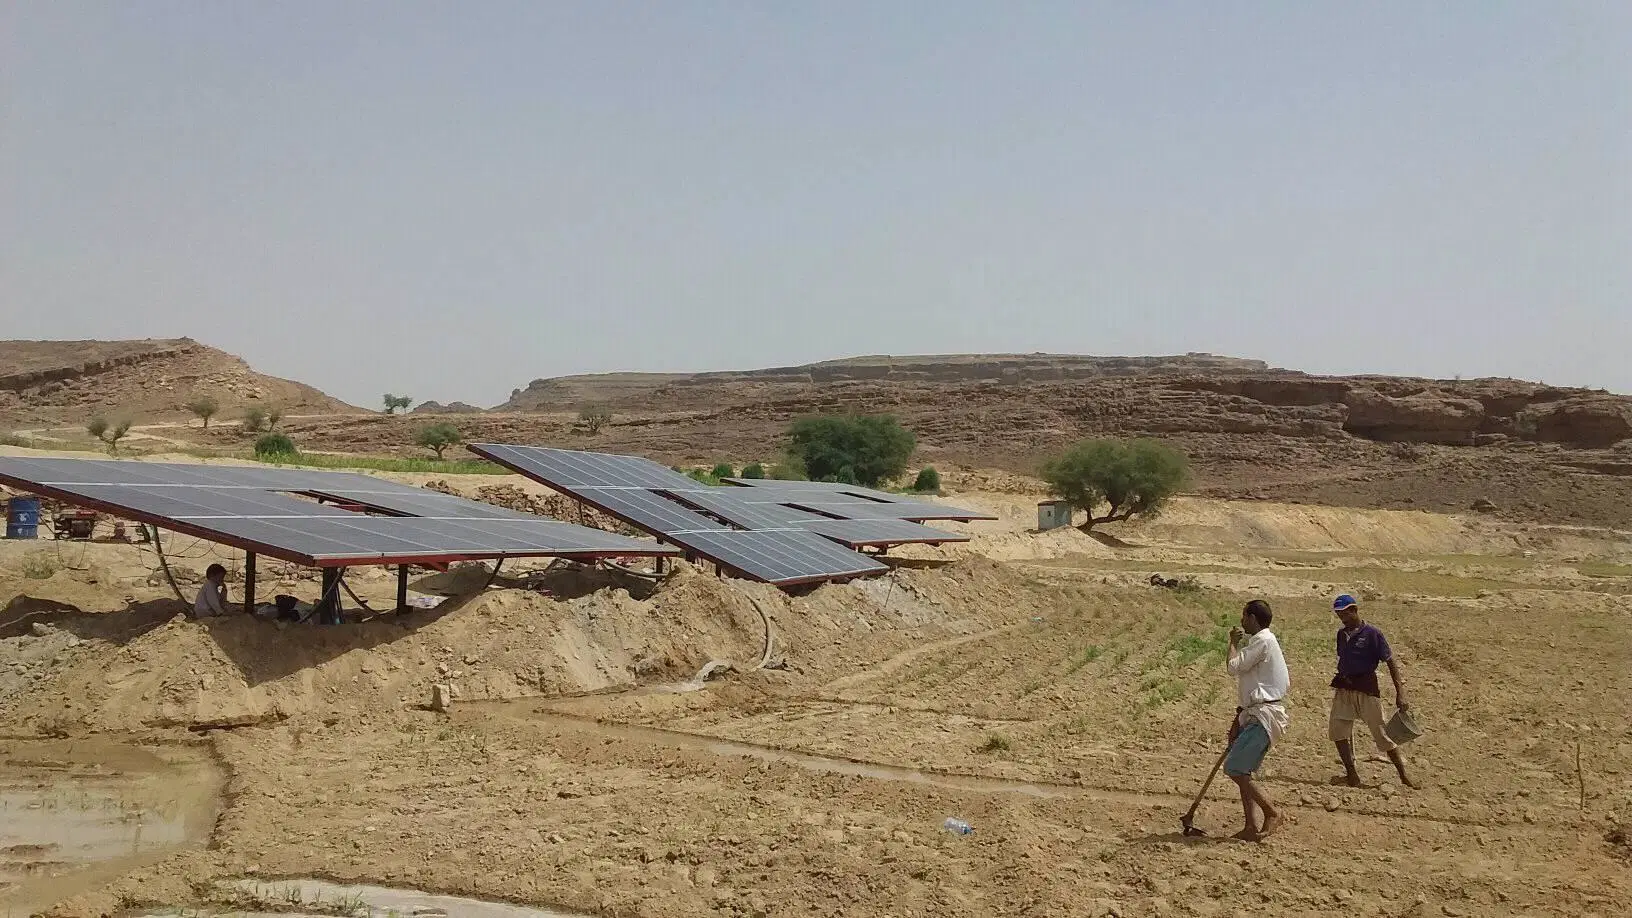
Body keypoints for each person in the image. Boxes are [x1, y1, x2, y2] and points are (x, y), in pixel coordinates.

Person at [1328, 594, 1416, 788]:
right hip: (1344, 688)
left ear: (1354, 610)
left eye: (1344, 613)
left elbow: (1390, 662)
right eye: (1338, 614)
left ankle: (1403, 775)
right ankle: (1352, 775)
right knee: (1338, 731)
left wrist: (1400, 692)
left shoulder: (1373, 634)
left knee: (1382, 734)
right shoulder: (1341, 635)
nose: (1341, 618)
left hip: (1366, 689)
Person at [1223, 599, 1290, 841]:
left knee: (1235, 768)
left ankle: (1271, 812)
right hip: (1255, 713)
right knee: (1243, 770)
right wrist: (1237, 719)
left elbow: (1233, 667)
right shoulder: (1264, 642)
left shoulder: (1261, 641)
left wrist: (1232, 642)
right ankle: (1250, 825)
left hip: (1264, 715)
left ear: (1252, 618)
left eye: (1244, 617)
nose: (1241, 621)